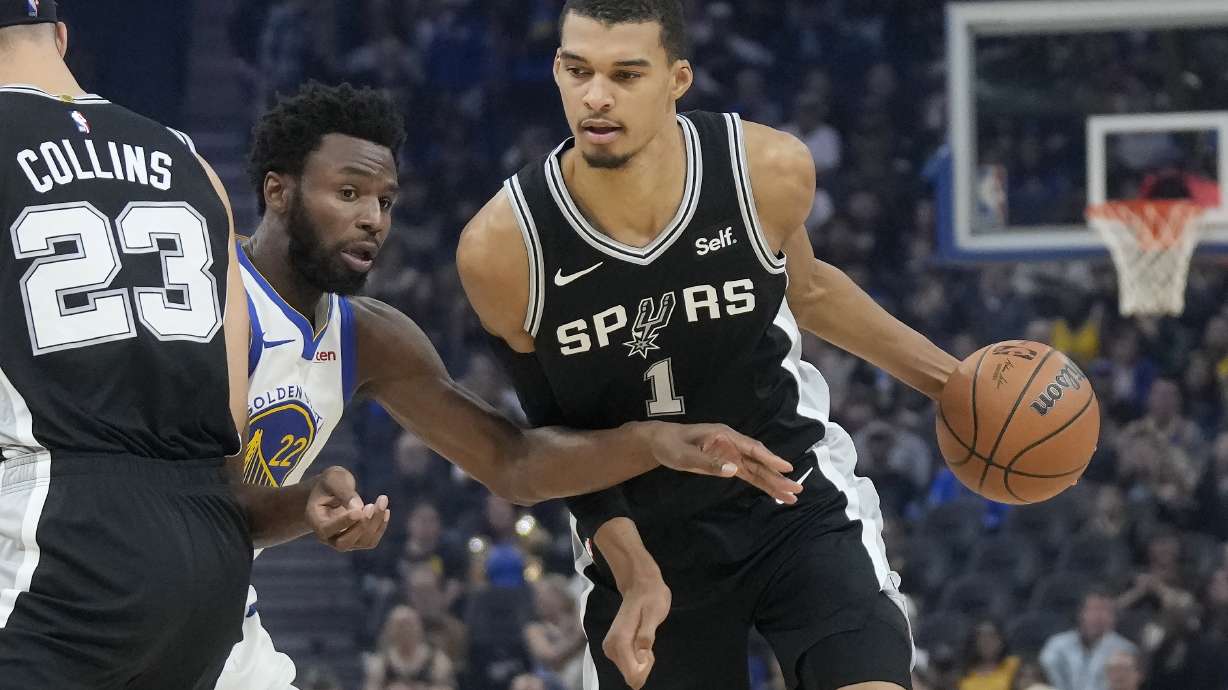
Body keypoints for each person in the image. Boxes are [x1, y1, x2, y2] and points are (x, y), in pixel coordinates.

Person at [215, 81, 802, 690]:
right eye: (347, 193)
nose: (372, 219)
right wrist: (300, 509)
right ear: (277, 192)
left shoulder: (372, 337)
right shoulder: (207, 293)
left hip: (223, 608)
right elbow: (188, 498)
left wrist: (653, 442)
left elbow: (513, 463)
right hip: (138, 586)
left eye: (385, 201)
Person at [457, 1, 961, 688]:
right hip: (645, 542)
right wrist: (633, 571)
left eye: (626, 74)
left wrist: (950, 381)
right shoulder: (503, 250)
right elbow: (551, 438)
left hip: (794, 501)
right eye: (578, 71)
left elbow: (808, 292)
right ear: (556, 71)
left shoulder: (765, 171)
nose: (596, 97)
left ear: (678, 79)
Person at [0, 5, 385, 689]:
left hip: (59, 534)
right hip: (206, 557)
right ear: (61, 39)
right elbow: (230, 420)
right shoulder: (188, 161)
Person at [1040, 589, 1138, 690]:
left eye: (1107, 611)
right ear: (1081, 613)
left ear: (1114, 617)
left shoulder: (1125, 650)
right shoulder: (1057, 645)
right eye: (1095, 609)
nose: (1099, 616)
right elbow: (1048, 677)